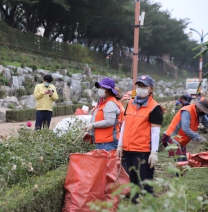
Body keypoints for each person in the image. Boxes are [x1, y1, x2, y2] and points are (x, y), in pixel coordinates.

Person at [116, 75, 163, 204]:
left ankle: (152, 207)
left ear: (151, 88)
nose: (140, 89)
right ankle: (135, 206)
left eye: (144, 86)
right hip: (129, 150)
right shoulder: (130, 103)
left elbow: (155, 132)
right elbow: (124, 125)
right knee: (133, 183)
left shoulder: (154, 108)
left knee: (145, 184)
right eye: (139, 86)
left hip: (143, 152)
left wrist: (154, 152)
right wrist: (120, 145)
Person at [163, 97, 208, 162]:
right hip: (172, 138)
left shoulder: (201, 114)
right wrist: (198, 137)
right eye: (204, 110)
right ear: (199, 107)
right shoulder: (187, 111)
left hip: (182, 141)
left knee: (185, 162)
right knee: (179, 162)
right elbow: (186, 129)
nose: (204, 112)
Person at [83, 78, 121, 151]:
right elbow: (96, 118)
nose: (100, 89)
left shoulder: (110, 103)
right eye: (100, 87)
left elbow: (109, 121)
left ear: (108, 91)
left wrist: (93, 125)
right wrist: (89, 131)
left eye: (103, 88)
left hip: (108, 143)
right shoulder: (101, 102)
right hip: (102, 142)